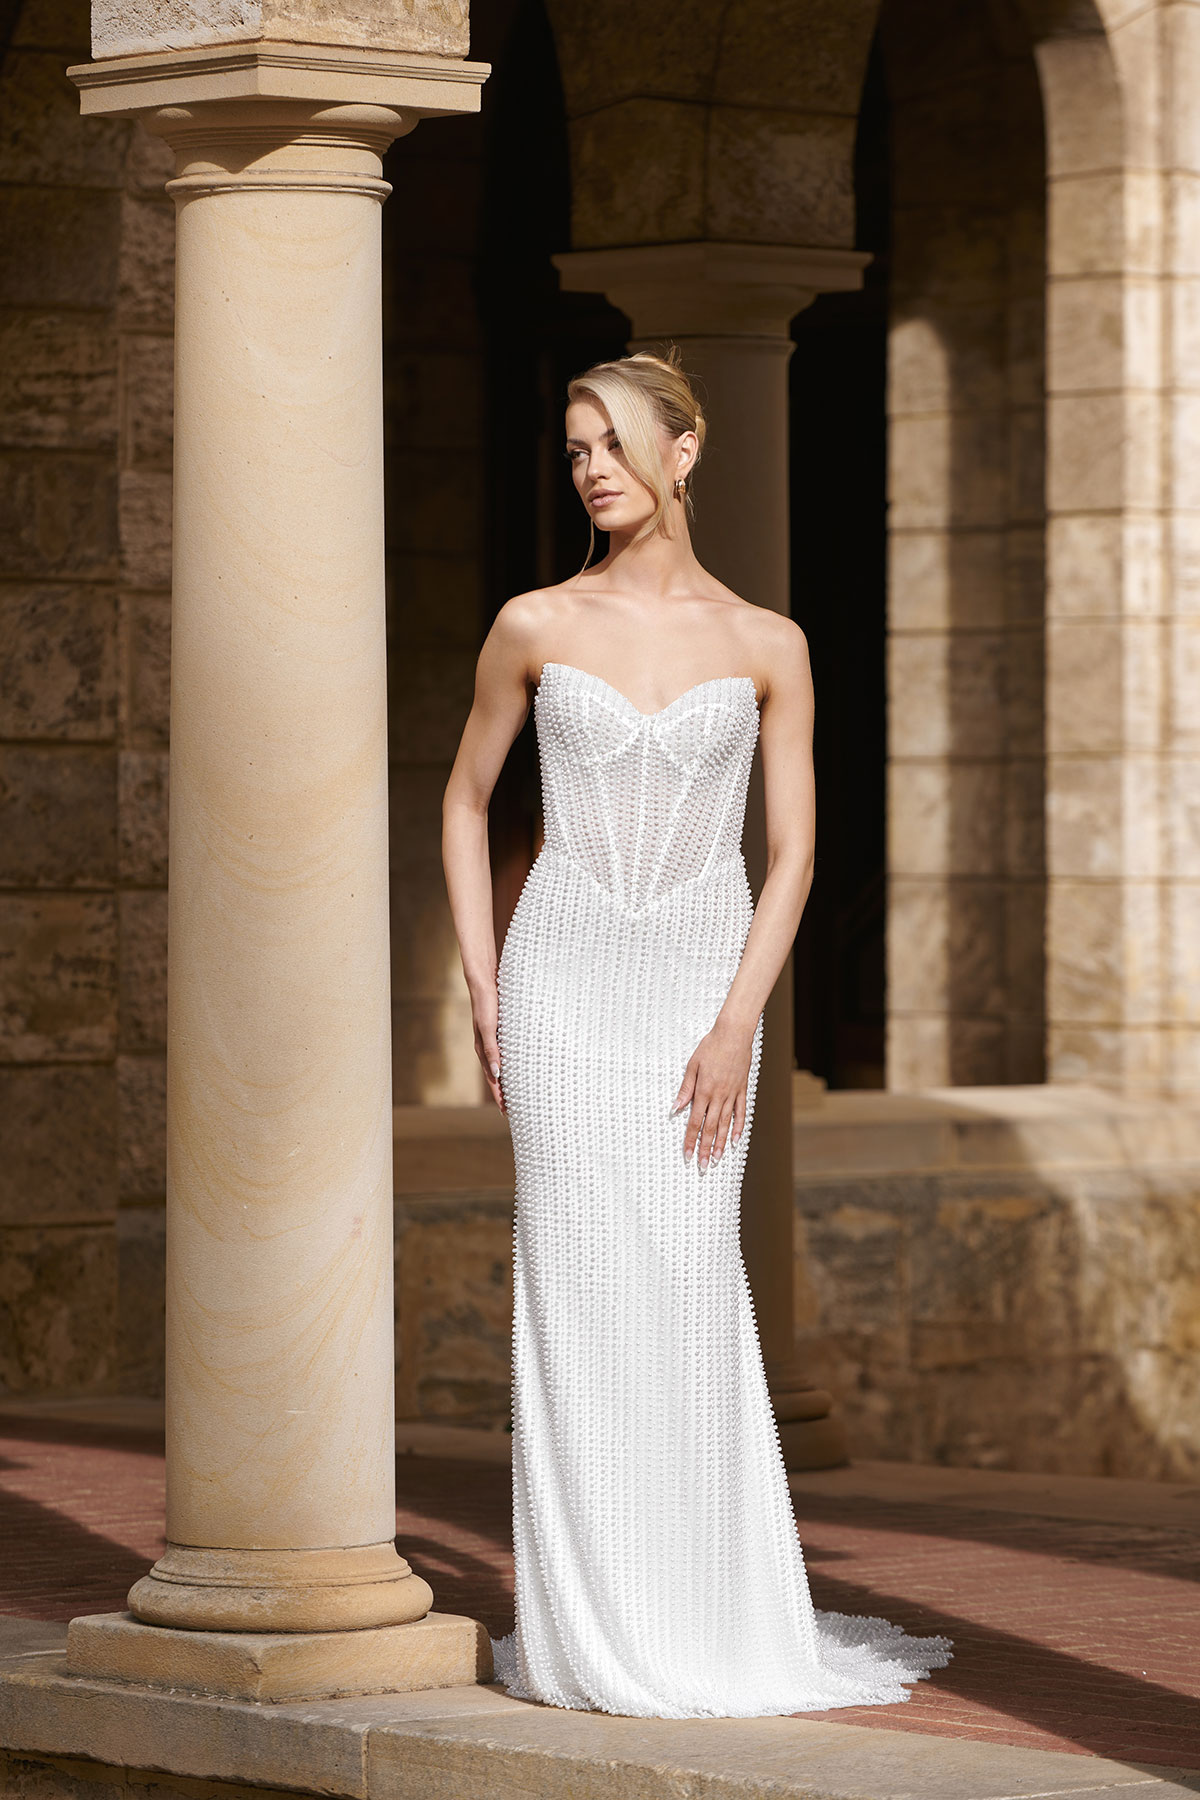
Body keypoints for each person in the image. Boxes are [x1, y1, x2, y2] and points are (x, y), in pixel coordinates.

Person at [441, 347, 950, 1718]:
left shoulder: (768, 643)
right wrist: (487, 987)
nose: (590, 469)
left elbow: (794, 856)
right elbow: (464, 802)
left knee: (683, 1274)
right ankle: (586, 1628)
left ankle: (700, 1612)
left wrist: (738, 1022)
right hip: (561, 983)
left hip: (697, 991)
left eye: (613, 442)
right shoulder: (534, 623)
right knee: (573, 1283)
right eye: (574, 449)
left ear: (685, 451)